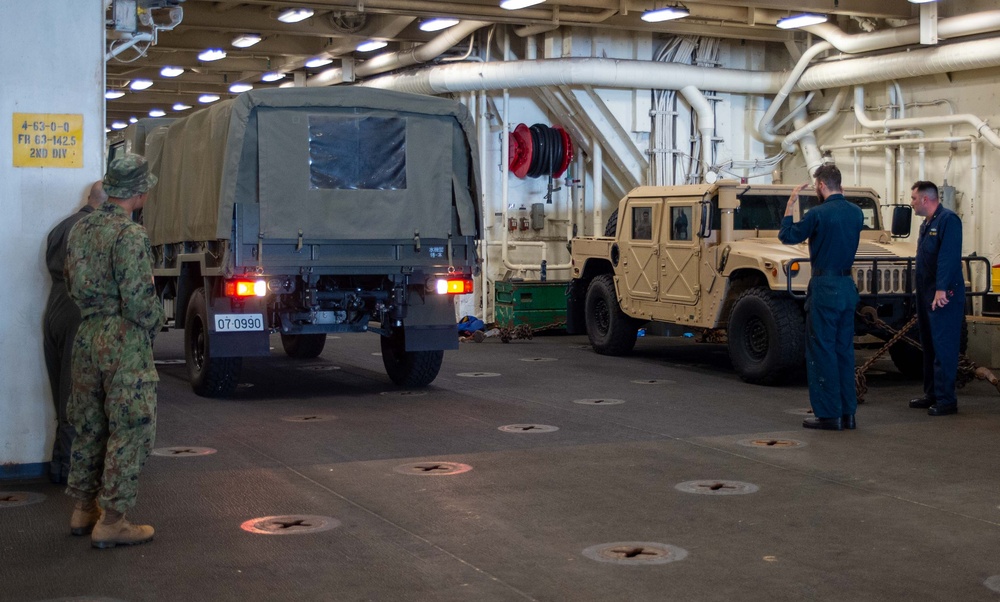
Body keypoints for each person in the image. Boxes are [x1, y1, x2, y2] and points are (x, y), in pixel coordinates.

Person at [64, 154, 164, 548]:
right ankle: (113, 521)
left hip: (86, 335)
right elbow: (140, 302)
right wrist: (156, 321)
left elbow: (72, 283)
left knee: (90, 424)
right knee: (130, 427)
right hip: (122, 340)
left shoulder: (80, 229)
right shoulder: (130, 235)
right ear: (138, 194)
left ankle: (82, 509)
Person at [779, 164, 864, 431]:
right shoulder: (856, 213)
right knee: (844, 351)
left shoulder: (818, 213)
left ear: (821, 186)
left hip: (825, 286)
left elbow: (788, 235)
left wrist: (791, 203)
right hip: (847, 286)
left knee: (822, 351)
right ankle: (848, 413)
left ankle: (828, 415)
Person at [42, 181, 107, 485]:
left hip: (54, 306)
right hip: (78, 309)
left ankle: (59, 463)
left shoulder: (60, 227)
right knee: (75, 390)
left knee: (60, 386)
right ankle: (68, 468)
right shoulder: (93, 228)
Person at [907, 181, 965, 416]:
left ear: (924, 199)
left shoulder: (948, 221)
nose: (910, 203)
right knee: (929, 345)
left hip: (943, 294)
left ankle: (946, 399)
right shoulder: (926, 224)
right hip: (926, 292)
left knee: (943, 346)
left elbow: (948, 258)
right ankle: (932, 393)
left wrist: (941, 289)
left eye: (913, 198)